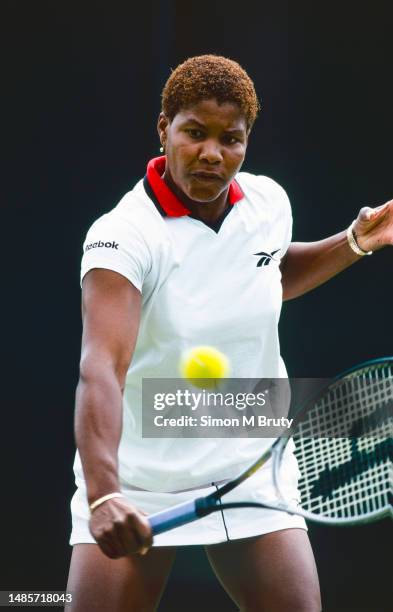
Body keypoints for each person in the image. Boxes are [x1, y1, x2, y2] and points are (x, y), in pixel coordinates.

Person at [66, 55, 393, 612]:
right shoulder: (124, 236)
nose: (212, 153)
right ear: (163, 128)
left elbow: (265, 275)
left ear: (248, 142)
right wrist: (105, 494)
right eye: (194, 132)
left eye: (231, 139)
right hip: (142, 481)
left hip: (250, 464)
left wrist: (353, 242)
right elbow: (101, 366)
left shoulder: (268, 204)